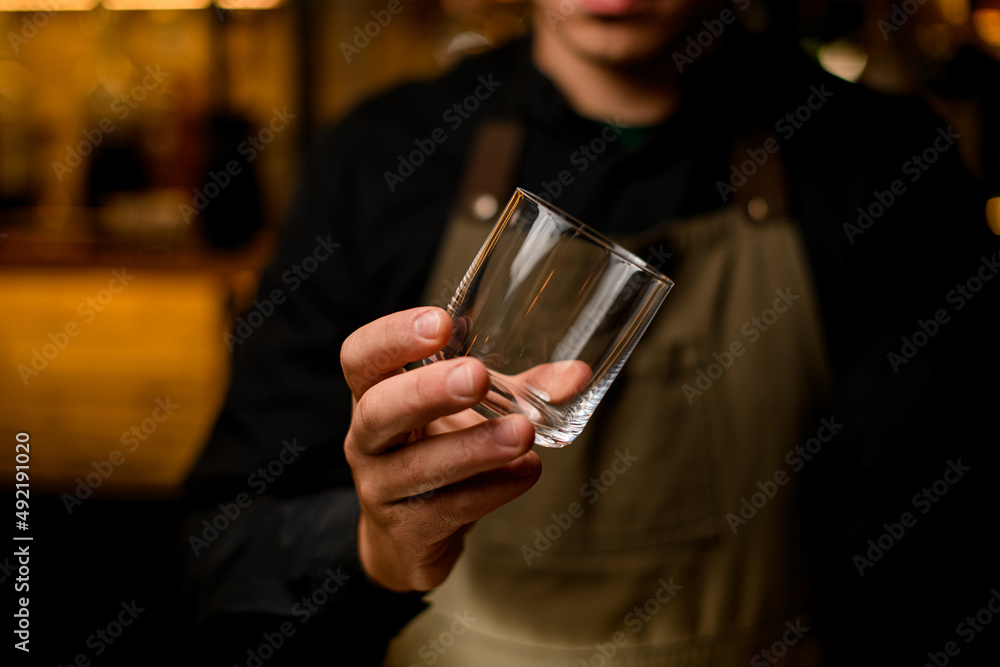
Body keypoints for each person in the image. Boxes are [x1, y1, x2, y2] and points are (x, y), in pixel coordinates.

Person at [179, 1, 998, 665]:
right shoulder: (379, 157)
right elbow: (226, 550)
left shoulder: (887, 163)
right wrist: (375, 545)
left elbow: (938, 559)